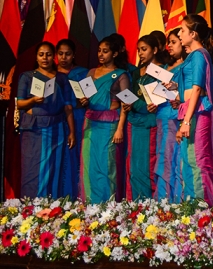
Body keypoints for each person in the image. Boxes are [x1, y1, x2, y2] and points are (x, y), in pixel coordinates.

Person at [17, 42, 76, 198]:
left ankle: (52, 205)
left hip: (57, 129)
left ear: (54, 57)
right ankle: (30, 206)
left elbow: (68, 107)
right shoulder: (27, 77)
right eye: (41, 54)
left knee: (54, 168)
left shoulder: (61, 78)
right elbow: (20, 103)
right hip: (34, 129)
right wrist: (33, 100)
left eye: (48, 55)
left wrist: (72, 132)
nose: (45, 58)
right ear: (36, 57)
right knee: (32, 168)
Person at [80, 36, 130, 203]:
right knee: (90, 164)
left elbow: (126, 104)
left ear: (114, 54)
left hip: (109, 124)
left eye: (105, 51)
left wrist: (120, 128)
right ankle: (90, 204)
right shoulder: (91, 72)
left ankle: (108, 206)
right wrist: (83, 101)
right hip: (90, 123)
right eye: (99, 51)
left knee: (107, 165)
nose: (101, 54)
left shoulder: (121, 75)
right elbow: (86, 97)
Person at [177, 14, 213, 205]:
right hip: (191, 109)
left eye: (182, 30)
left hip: (197, 112)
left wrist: (186, 121)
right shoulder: (193, 56)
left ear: (193, 34)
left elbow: (196, 88)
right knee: (188, 160)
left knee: (198, 160)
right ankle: (191, 205)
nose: (179, 34)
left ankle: (202, 207)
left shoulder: (199, 55)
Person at [123, 35, 165, 200]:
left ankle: (149, 204)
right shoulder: (135, 72)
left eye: (144, 49)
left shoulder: (161, 72)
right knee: (133, 166)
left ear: (154, 50)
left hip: (149, 123)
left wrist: (152, 105)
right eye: (139, 50)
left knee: (147, 164)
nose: (140, 53)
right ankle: (135, 204)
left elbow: (162, 99)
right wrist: (128, 104)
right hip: (134, 122)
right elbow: (132, 96)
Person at [154, 29, 186, 202]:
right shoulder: (165, 68)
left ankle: (175, 200)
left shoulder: (187, 66)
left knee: (174, 157)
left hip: (176, 117)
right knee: (162, 156)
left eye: (174, 42)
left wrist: (179, 98)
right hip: (162, 116)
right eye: (169, 43)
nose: (170, 46)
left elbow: (191, 92)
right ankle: (162, 200)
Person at [56, 39, 89, 198]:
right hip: (57, 119)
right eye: (60, 54)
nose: (64, 57)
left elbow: (92, 97)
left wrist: (85, 101)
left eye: (67, 54)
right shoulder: (50, 73)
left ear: (74, 55)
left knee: (75, 155)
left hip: (77, 117)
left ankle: (76, 195)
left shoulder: (83, 73)